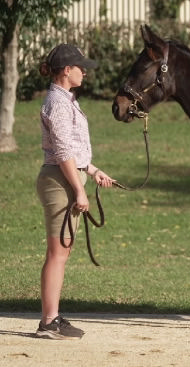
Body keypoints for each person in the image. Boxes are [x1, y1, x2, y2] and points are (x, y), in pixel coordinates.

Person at [36, 44, 114, 339]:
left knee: (62, 251)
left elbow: (73, 150)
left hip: (66, 176)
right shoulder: (57, 103)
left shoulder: (66, 100)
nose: (85, 72)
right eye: (81, 67)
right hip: (60, 180)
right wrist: (80, 190)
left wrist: (92, 170)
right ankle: (48, 322)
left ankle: (51, 317)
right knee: (58, 253)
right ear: (66, 71)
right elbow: (63, 151)